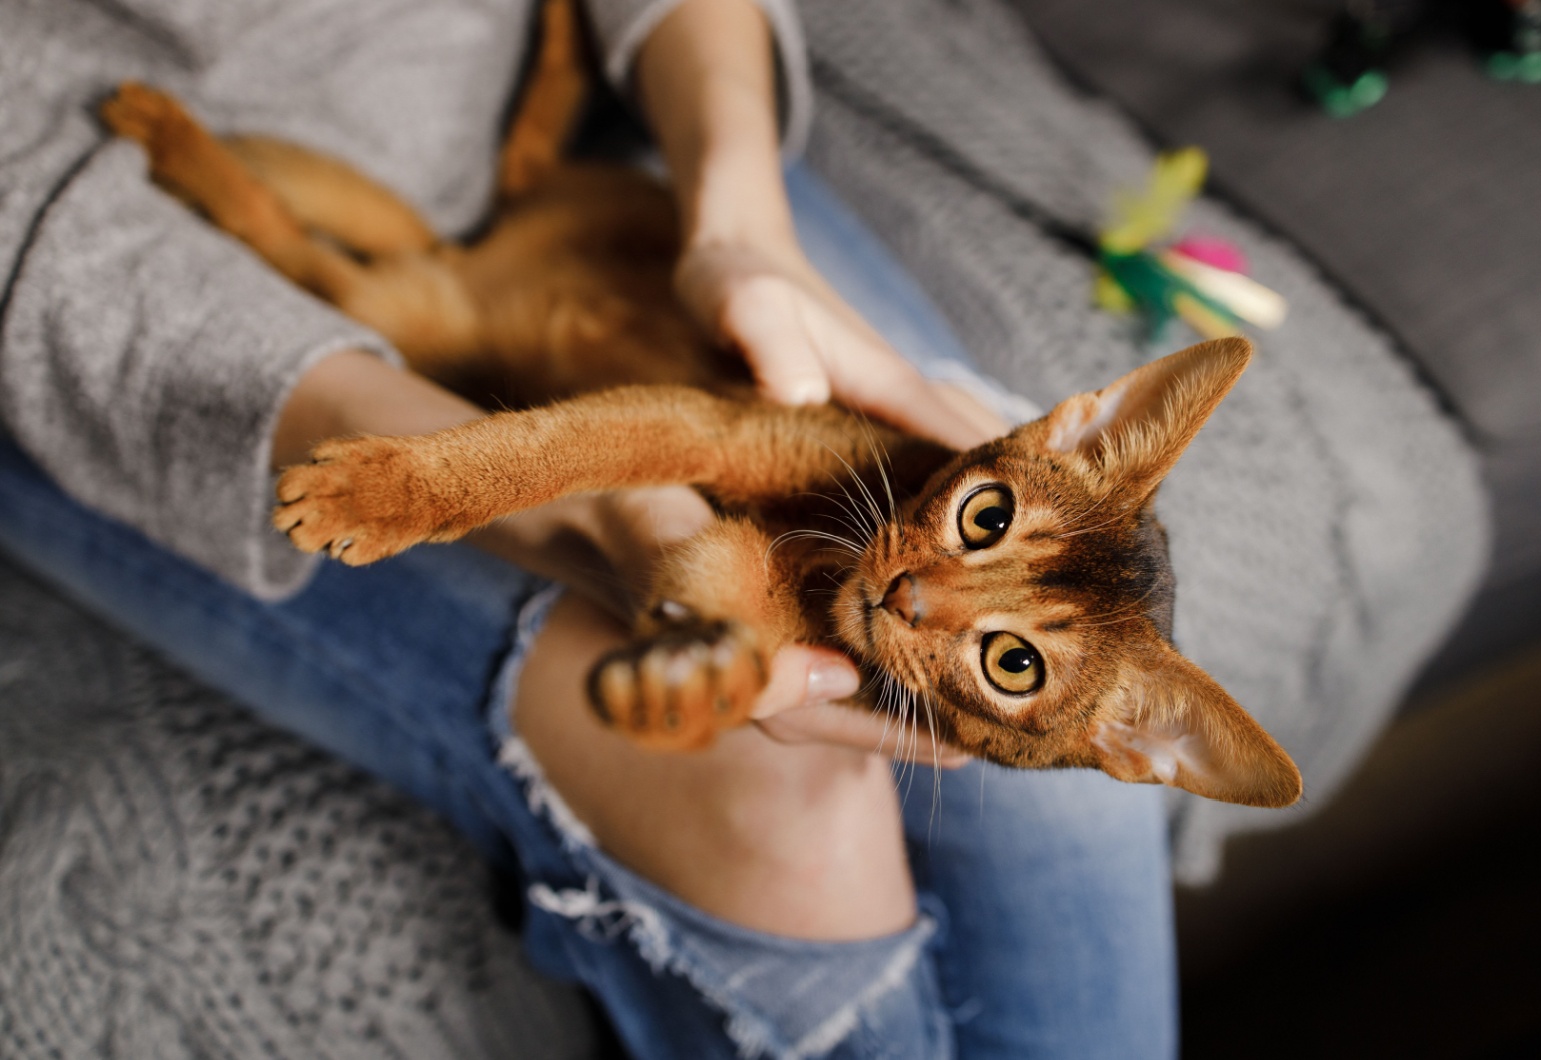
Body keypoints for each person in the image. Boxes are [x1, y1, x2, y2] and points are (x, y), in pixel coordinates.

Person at [0, 0, 1177, 1056]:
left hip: (594, 124)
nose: (923, 599)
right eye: (981, 525)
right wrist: (513, 498)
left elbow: (720, 546)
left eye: (1009, 654)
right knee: (774, 796)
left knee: (1062, 802)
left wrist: (738, 214)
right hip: (80, 233)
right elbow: (683, 472)